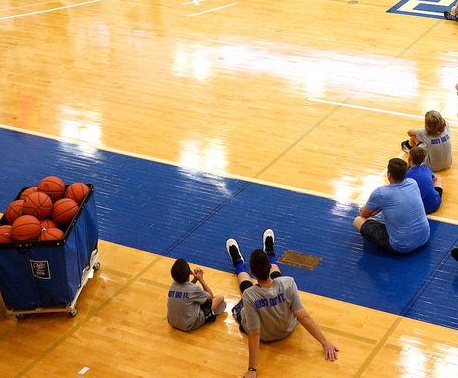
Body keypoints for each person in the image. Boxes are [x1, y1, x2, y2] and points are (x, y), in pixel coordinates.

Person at [226, 232, 339, 373]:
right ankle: (270, 254)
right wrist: (325, 342)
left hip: (265, 336)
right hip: (287, 329)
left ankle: (237, 262)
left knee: (246, 288)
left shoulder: (250, 295)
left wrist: (252, 369)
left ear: (252, 272)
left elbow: (254, 333)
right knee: (278, 278)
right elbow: (304, 317)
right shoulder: (289, 282)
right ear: (270, 267)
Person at [352, 158, 430, 253]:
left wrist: (378, 207)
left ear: (389, 175)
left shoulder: (381, 193)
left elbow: (363, 214)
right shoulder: (413, 183)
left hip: (401, 247)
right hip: (424, 237)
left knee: (358, 221)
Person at [167, 258, 227, 332]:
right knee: (220, 298)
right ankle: (210, 315)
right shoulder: (194, 289)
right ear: (189, 273)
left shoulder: (173, 284)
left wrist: (195, 279)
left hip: (172, 322)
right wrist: (201, 279)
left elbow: (187, 290)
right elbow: (210, 297)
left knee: (195, 300)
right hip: (189, 325)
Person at [405, 145, 443, 214]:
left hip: (418, 208)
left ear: (409, 159)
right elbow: (434, 179)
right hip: (435, 204)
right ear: (423, 160)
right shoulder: (425, 167)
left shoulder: (407, 174)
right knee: (439, 179)